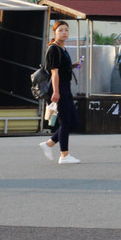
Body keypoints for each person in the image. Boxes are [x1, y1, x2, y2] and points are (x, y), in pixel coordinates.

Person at [39, 20, 81, 164]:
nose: (64, 33)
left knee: (73, 120)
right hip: (59, 87)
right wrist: (56, 92)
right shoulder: (53, 49)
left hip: (65, 86)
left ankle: (50, 143)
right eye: (61, 30)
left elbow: (61, 69)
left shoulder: (61, 48)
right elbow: (54, 72)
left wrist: (73, 66)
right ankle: (64, 155)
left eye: (66, 30)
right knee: (65, 121)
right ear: (55, 32)